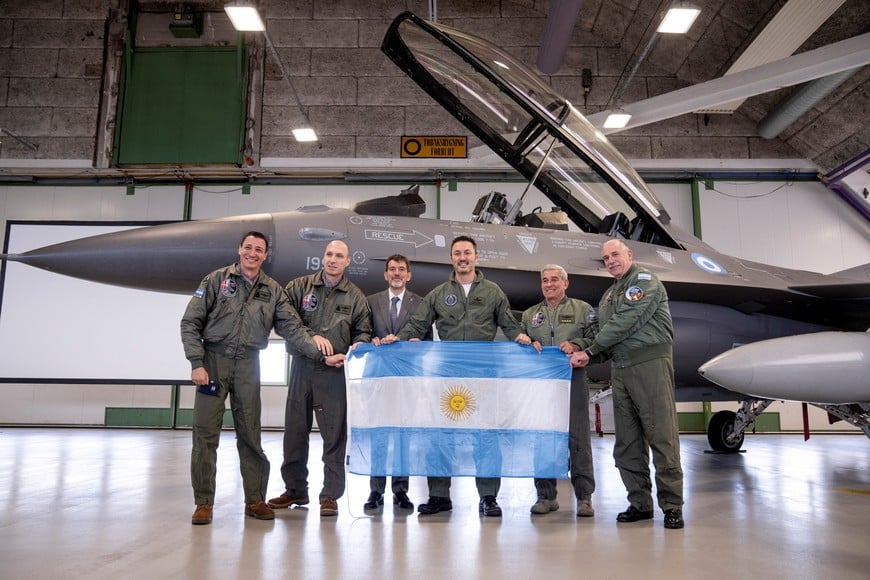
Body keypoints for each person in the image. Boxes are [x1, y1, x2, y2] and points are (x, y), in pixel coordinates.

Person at [180, 231, 343, 526]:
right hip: (213, 363)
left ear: (265, 255)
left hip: (248, 365)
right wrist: (196, 362)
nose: (252, 253)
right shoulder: (216, 280)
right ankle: (203, 503)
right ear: (239, 249)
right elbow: (190, 322)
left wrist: (322, 355)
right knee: (204, 436)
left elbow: (293, 328)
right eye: (248, 248)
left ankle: (254, 500)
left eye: (259, 250)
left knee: (250, 435)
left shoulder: (273, 291)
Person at [380, 235, 532, 517]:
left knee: (485, 436)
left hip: (483, 376)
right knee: (440, 436)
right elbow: (417, 323)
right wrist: (396, 339)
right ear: (451, 259)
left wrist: (523, 337)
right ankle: (439, 496)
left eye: (467, 253)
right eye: (457, 253)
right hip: (447, 376)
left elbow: (509, 323)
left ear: (476, 257)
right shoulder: (438, 294)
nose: (462, 258)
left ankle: (488, 497)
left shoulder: (493, 291)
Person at [569, 239, 684, 529]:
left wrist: (590, 351)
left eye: (615, 254)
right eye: (606, 257)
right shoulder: (609, 295)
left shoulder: (644, 282)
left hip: (650, 366)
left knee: (662, 437)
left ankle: (672, 507)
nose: (610, 260)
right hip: (620, 369)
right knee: (628, 443)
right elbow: (604, 334)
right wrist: (577, 346)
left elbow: (624, 323)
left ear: (629, 255)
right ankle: (640, 503)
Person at [267, 240, 372, 517]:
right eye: (329, 254)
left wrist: (356, 347)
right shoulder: (299, 288)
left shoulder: (355, 297)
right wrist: (311, 339)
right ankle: (295, 490)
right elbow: (284, 322)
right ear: (322, 258)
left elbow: (363, 330)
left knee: (334, 437)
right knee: (294, 434)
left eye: (339, 256)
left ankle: (330, 496)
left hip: (335, 373)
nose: (333, 260)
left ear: (348, 261)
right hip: (302, 368)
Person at [521, 264, 597, 518]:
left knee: (578, 440)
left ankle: (584, 497)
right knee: (542, 437)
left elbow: (597, 338)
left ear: (566, 283)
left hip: (573, 380)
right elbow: (521, 344)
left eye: (554, 279)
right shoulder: (530, 315)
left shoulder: (583, 310)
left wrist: (578, 344)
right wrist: (529, 343)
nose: (549, 284)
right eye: (544, 280)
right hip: (541, 385)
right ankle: (546, 496)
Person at [363, 254, 430, 512]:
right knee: (379, 435)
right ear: (385, 274)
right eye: (392, 269)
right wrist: (371, 340)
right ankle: (375, 491)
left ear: (409, 275)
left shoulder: (420, 303)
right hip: (379, 378)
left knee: (403, 436)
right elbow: (363, 332)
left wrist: (419, 345)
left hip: (407, 380)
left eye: (401, 269)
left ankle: (401, 491)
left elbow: (428, 342)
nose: (397, 273)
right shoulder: (371, 302)